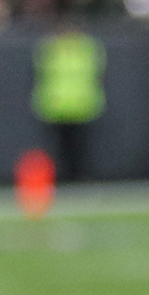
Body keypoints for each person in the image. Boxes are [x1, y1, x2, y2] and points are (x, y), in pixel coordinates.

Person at [32, 21, 106, 184]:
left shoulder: (86, 48)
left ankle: (80, 177)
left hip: (81, 105)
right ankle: (62, 177)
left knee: (80, 146)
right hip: (58, 106)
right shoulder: (52, 48)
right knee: (60, 146)